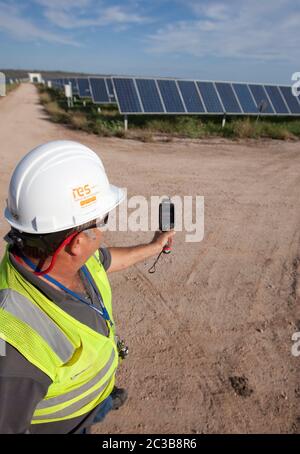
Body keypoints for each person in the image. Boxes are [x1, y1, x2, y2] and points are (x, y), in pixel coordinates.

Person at [0, 140, 175, 434]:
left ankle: (104, 400)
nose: (103, 231)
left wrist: (153, 246)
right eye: (100, 221)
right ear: (76, 243)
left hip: (93, 400)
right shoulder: (17, 347)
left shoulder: (61, 258)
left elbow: (107, 261)